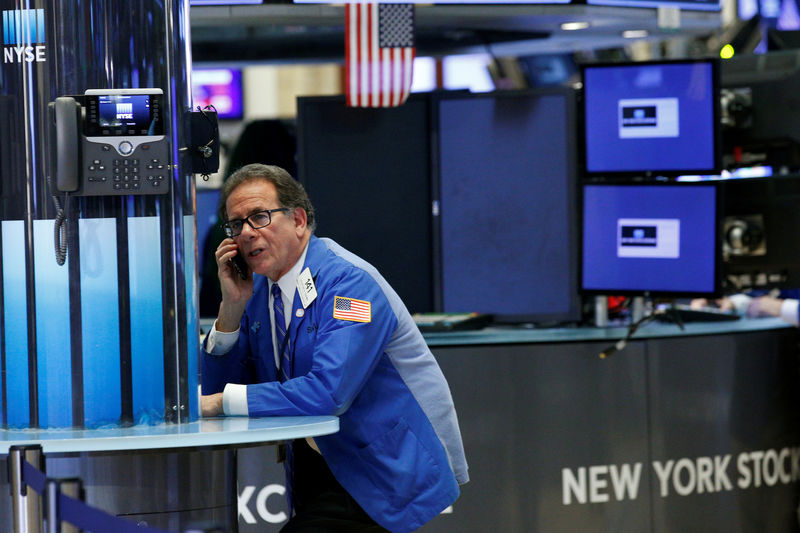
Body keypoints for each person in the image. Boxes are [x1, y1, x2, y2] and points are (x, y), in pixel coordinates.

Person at [200, 164, 469, 533]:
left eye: (259, 217)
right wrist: (230, 307)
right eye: (236, 224)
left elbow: (329, 392)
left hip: (379, 470)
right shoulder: (260, 290)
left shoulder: (349, 286)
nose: (246, 233)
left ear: (297, 220)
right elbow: (220, 386)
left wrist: (219, 403)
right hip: (316, 466)